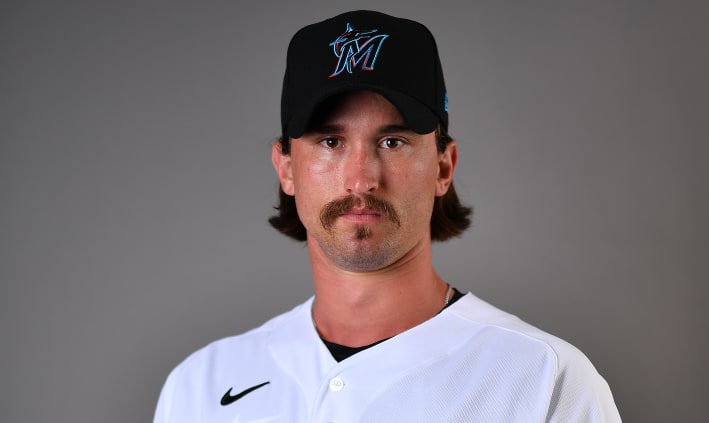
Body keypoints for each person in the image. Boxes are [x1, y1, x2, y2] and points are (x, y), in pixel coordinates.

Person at [153, 10, 621, 422]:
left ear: (443, 167)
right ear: (286, 168)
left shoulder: (541, 379)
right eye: (330, 142)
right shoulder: (201, 387)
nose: (361, 179)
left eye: (392, 141)